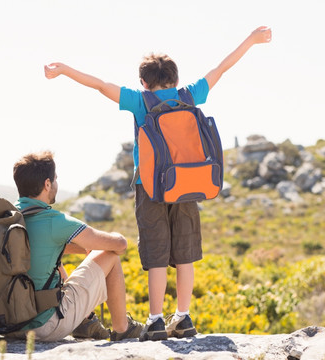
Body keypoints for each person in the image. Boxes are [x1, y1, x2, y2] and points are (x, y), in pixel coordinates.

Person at [44, 26, 272, 341]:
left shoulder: (140, 101)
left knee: (156, 252)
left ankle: (155, 321)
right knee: (186, 252)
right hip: (187, 181)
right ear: (176, 80)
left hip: (150, 185)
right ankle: (183, 317)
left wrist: (65, 70)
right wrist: (251, 40)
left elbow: (100, 85)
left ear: (144, 82)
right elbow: (221, 68)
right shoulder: (190, 94)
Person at [7, 151, 144, 342]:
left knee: (55, 261)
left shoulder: (10, 219)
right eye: (54, 179)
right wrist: (115, 241)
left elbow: (44, 248)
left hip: (9, 325)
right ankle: (123, 328)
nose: (56, 183)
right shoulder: (53, 221)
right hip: (45, 326)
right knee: (110, 256)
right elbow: (119, 245)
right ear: (47, 184)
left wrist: (83, 248)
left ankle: (86, 322)